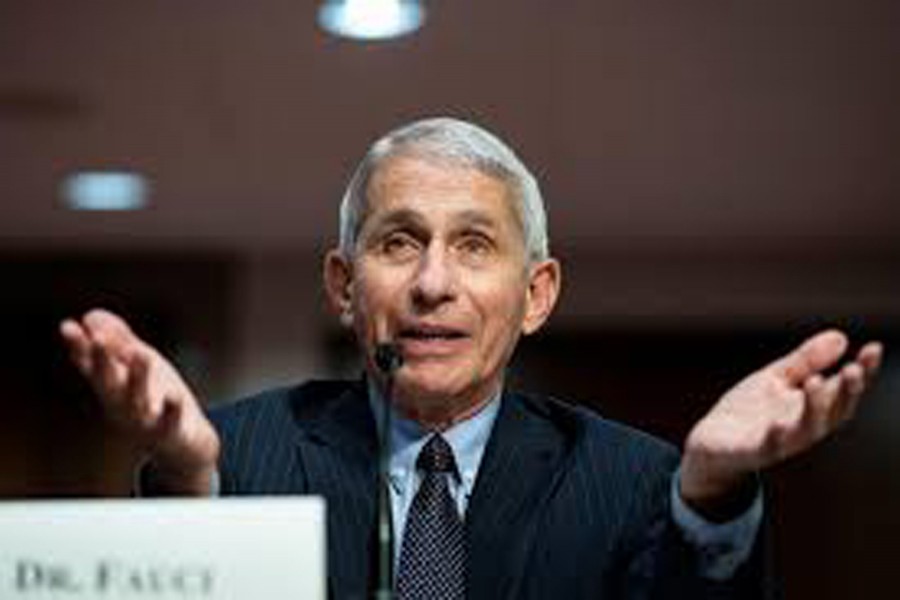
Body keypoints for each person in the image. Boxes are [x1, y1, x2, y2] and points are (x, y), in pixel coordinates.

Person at [60, 118, 883, 599]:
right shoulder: (238, 453)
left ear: (537, 293)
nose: (431, 283)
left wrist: (709, 496)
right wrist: (187, 488)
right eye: (399, 242)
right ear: (344, 285)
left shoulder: (633, 483)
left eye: (474, 245)